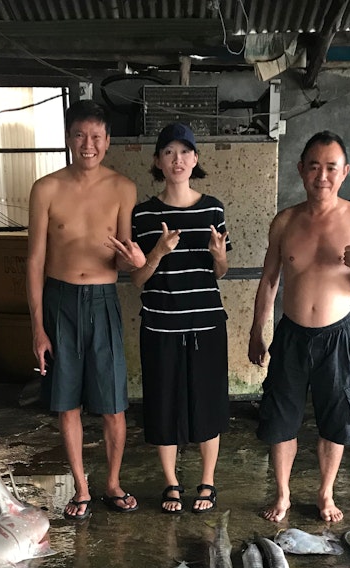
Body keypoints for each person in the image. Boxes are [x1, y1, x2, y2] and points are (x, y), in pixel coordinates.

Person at [248, 130, 350, 524]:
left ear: (345, 172)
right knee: (281, 419)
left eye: (331, 168)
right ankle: (283, 494)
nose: (322, 176)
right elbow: (269, 281)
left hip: (337, 335)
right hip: (291, 334)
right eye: (314, 167)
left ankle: (326, 494)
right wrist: (257, 331)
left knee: (335, 420)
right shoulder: (285, 221)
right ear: (301, 170)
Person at [26, 99, 146, 520]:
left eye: (96, 136)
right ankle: (81, 487)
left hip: (103, 299)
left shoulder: (123, 188)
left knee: (113, 404)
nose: (88, 144)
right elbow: (35, 261)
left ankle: (112, 483)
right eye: (80, 135)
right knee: (67, 403)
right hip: (59, 302)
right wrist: (37, 327)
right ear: (68, 138)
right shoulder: (45, 189)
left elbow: (125, 258)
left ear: (108, 141)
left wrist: (135, 260)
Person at [110, 122, 230, 513]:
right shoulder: (144, 215)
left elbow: (220, 272)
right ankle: (171, 483)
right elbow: (138, 280)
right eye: (169, 152)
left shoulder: (213, 208)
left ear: (195, 160)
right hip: (160, 325)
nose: (177, 160)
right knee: (163, 406)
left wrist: (219, 255)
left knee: (208, 405)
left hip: (206, 325)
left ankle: (207, 482)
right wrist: (158, 252)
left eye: (185, 152)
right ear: (158, 162)